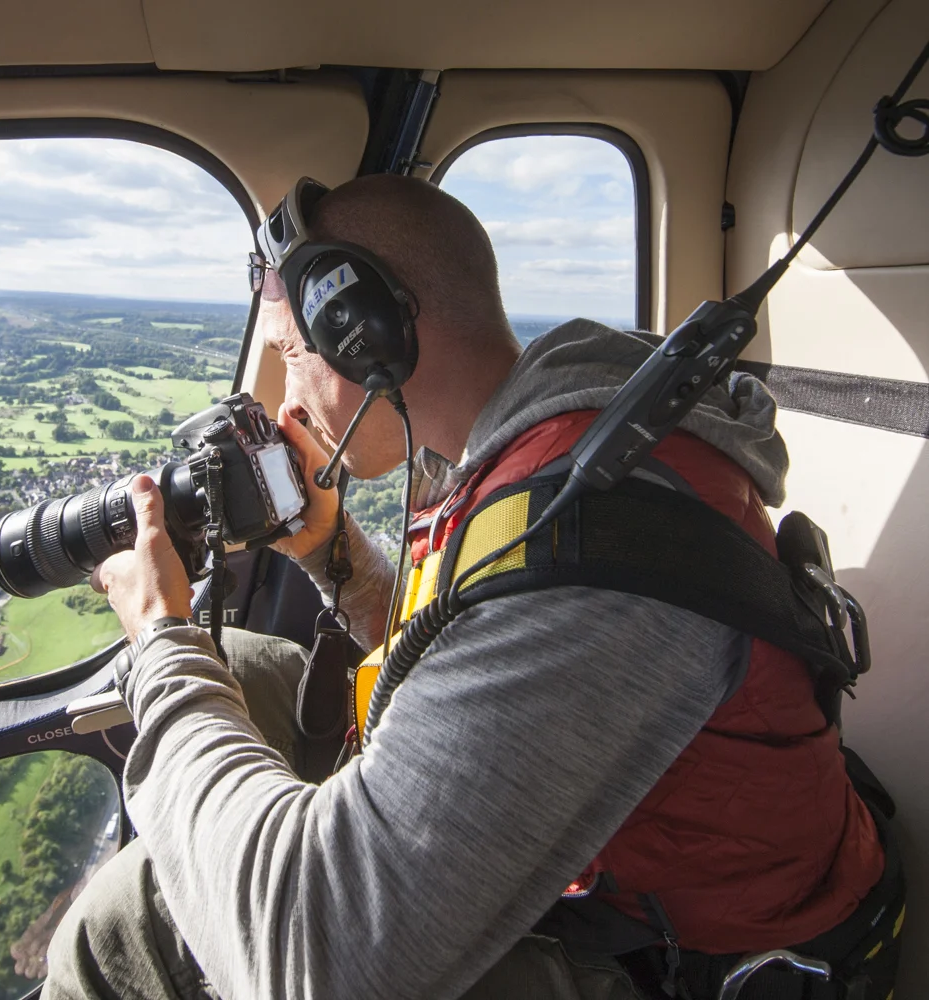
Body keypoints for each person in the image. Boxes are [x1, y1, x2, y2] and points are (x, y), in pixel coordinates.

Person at [43, 174, 885, 999]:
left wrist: (160, 636)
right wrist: (329, 549)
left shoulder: (591, 528)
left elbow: (320, 959)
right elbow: (456, 644)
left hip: (685, 959)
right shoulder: (521, 454)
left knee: (133, 924)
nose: (288, 393)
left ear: (361, 336)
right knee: (254, 670)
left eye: (292, 355)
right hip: (614, 871)